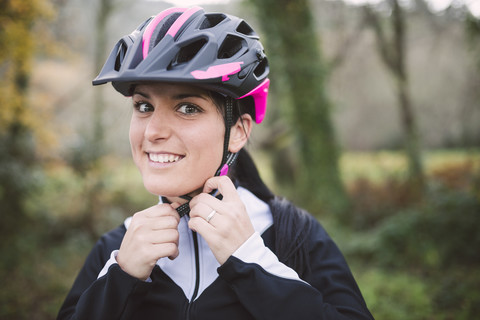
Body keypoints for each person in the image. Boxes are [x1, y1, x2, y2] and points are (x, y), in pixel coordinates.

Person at [57, 6, 374, 320]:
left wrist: (250, 260)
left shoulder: (294, 236)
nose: (152, 131)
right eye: (143, 106)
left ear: (238, 132)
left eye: (188, 108)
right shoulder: (118, 247)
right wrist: (120, 278)